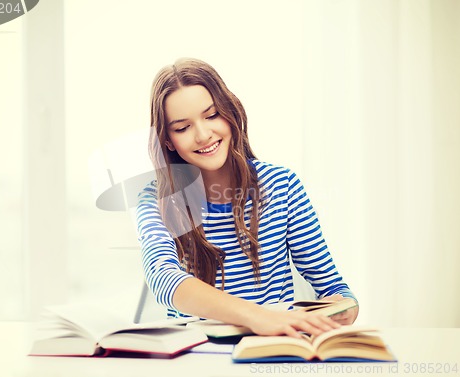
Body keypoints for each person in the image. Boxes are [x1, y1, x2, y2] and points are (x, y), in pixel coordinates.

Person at [136, 58, 358, 338]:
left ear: (229, 112)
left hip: (273, 349)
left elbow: (335, 290)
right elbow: (164, 279)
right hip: (198, 355)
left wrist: (339, 310)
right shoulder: (154, 199)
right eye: (182, 128)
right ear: (167, 140)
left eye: (212, 115)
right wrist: (258, 317)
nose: (203, 135)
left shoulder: (281, 184)